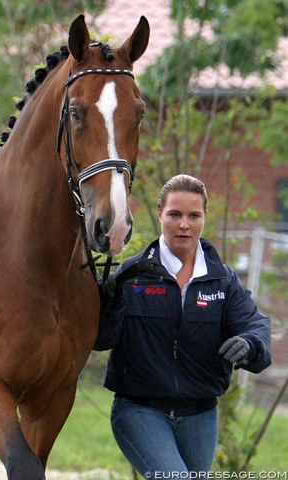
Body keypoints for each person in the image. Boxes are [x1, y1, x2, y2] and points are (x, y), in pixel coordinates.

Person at [94, 174, 271, 479]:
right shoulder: (132, 275)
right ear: (160, 212)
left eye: (194, 215)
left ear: (205, 216)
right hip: (139, 410)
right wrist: (105, 305)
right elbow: (100, 339)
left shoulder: (223, 280)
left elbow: (255, 325)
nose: (184, 224)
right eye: (175, 214)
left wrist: (250, 343)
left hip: (201, 414)